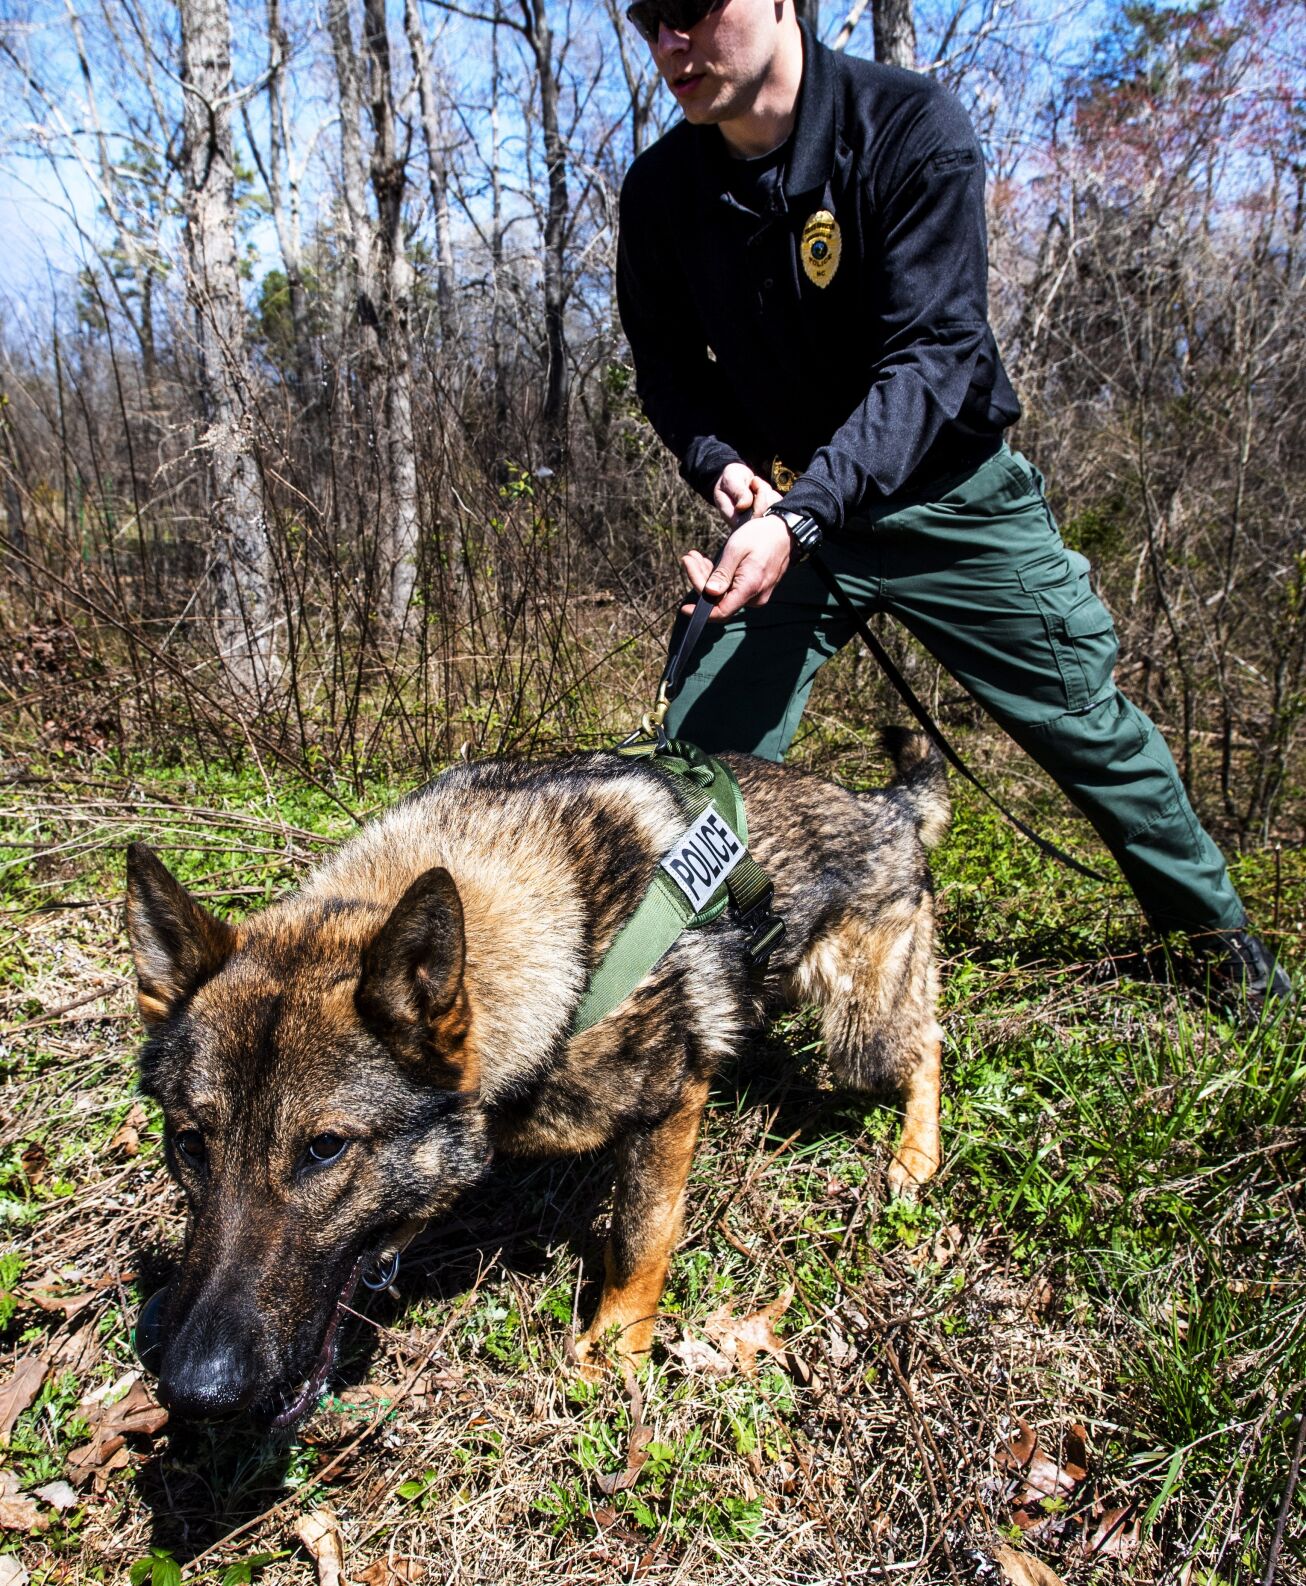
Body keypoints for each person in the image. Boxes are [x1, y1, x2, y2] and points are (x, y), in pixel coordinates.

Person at [615, 0, 1291, 1006]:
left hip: (949, 497)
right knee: (697, 763)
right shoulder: (664, 188)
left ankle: (1224, 958)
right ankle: (686, 992)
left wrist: (805, 512)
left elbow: (933, 356)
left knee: (1090, 731)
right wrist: (722, 462)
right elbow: (666, 371)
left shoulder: (906, 128)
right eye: (645, 17)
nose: (669, 40)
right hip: (794, 512)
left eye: (694, 9)